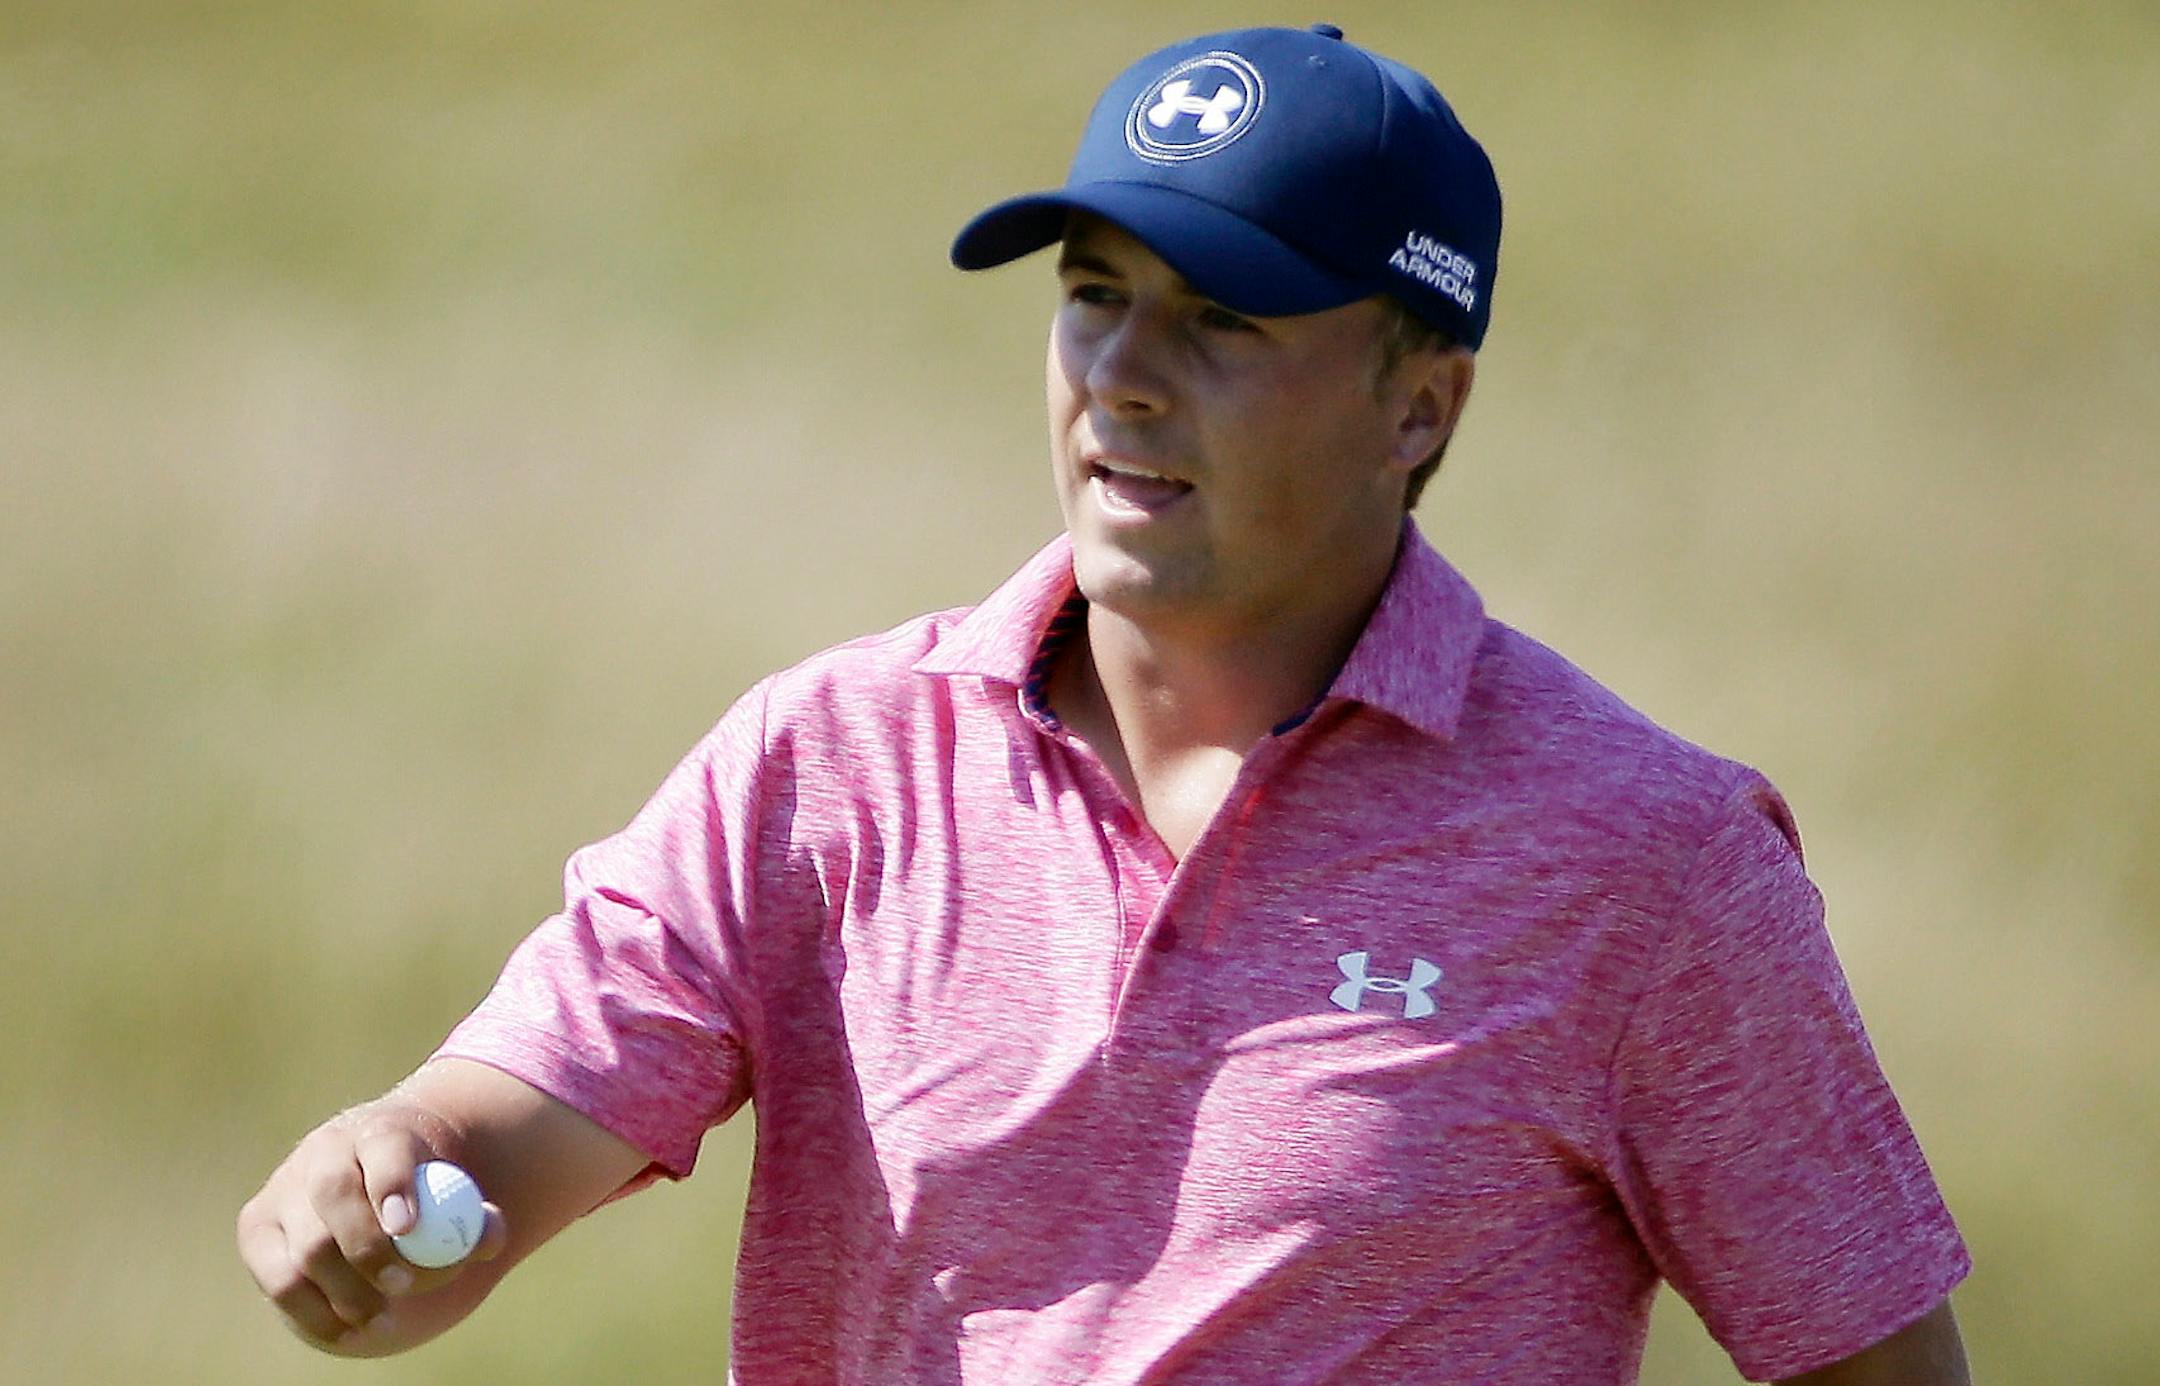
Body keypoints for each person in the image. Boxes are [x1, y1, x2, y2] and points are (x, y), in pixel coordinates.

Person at [237, 24, 1972, 1384]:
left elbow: (1876, 1363)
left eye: (1220, 320)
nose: (1123, 378)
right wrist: (377, 1181)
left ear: (1419, 410)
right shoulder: (831, 768)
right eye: (1091, 298)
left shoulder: (1644, 862)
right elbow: (491, 1150)